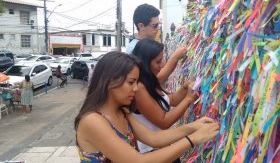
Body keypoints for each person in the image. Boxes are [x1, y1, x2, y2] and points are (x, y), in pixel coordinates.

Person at [74, 51, 219, 163]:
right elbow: (138, 161)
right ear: (110, 81)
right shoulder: (92, 121)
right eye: (131, 82)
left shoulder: (122, 112)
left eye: (136, 82)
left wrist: (193, 127)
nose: (136, 88)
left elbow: (154, 138)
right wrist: (192, 139)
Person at [131, 39, 196, 161]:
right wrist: (188, 99)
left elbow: (170, 100)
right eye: (158, 62)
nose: (162, 65)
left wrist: (185, 88)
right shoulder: (139, 88)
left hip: (164, 148)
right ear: (145, 62)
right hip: (152, 153)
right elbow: (164, 121)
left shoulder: (151, 80)